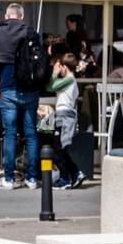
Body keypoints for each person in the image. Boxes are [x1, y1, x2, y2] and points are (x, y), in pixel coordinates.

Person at [0, 2, 40, 190]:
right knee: (31, 134)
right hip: (30, 89)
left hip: (8, 88)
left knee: (9, 134)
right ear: (21, 16)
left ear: (7, 16)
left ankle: (8, 178)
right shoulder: (32, 32)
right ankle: (31, 178)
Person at [48, 53, 86, 190]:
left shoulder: (69, 80)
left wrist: (54, 73)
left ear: (64, 67)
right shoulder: (71, 81)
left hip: (64, 115)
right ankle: (76, 173)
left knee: (59, 149)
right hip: (63, 115)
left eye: (60, 67)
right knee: (61, 148)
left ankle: (65, 178)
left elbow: (50, 87)